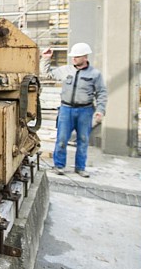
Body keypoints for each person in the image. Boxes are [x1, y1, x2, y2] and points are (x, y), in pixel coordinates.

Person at [41, 42, 108, 178]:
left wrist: (100, 110)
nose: (74, 59)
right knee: (61, 139)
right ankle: (59, 166)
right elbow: (47, 74)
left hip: (85, 111)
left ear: (85, 57)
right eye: (73, 56)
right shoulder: (66, 70)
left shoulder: (95, 74)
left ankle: (80, 168)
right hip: (66, 109)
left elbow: (101, 93)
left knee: (83, 140)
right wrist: (46, 58)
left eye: (77, 56)